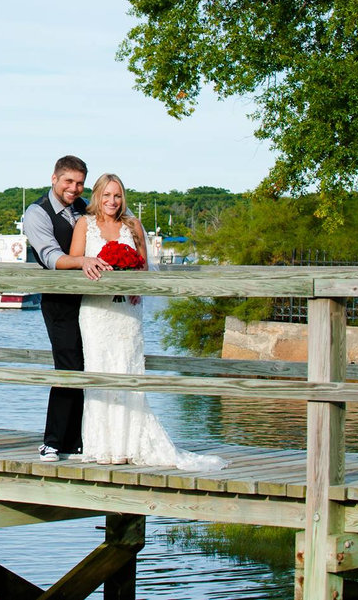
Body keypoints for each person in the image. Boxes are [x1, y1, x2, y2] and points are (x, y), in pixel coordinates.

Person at [68, 172, 227, 471]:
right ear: (97, 196)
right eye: (106, 195)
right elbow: (76, 261)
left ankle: (128, 444)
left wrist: (133, 282)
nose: (112, 201)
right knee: (99, 369)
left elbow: (143, 267)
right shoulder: (84, 225)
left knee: (127, 369)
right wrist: (89, 265)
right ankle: (102, 446)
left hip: (127, 312)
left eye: (117, 196)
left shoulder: (133, 225)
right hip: (96, 311)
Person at [24, 155, 112, 462]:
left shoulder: (84, 208)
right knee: (68, 364)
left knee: (90, 363)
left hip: (91, 300)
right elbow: (50, 256)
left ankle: (78, 441)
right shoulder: (37, 212)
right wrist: (83, 261)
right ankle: (52, 441)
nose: (74, 188)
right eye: (68, 182)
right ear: (54, 179)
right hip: (59, 299)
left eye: (79, 183)